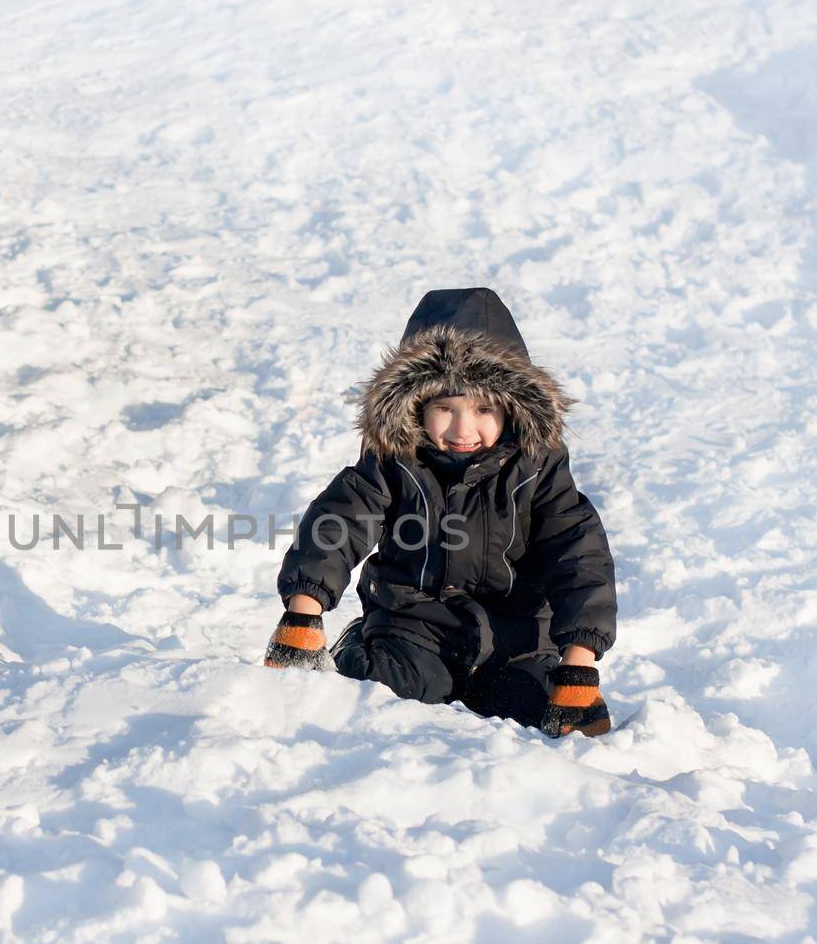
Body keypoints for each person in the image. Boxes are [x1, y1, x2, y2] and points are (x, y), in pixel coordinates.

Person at [262, 287, 616, 737]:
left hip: (515, 641)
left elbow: (579, 557)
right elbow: (339, 522)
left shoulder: (538, 470)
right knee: (378, 705)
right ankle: (358, 650)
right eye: (445, 408)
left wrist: (579, 664)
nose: (463, 429)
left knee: (538, 720)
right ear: (416, 408)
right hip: (413, 631)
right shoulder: (394, 460)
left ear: (512, 409)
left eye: (483, 409)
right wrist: (303, 611)